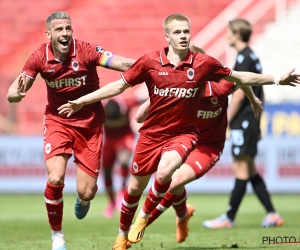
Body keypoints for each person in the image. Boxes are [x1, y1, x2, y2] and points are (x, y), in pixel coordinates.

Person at [57, 14, 299, 250]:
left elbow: (239, 78)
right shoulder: (152, 63)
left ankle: (142, 221)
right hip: (152, 136)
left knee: (168, 176)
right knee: (134, 189)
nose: (183, 36)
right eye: (178, 32)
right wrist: (82, 101)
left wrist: (276, 80)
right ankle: (150, 226)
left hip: (190, 138)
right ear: (167, 37)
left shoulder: (206, 68)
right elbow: (121, 88)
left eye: (186, 32)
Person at [6, 11, 135, 250]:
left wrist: (147, 67)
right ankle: (58, 236)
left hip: (90, 125)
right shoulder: (39, 57)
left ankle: (83, 198)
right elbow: (13, 92)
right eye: (59, 29)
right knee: (55, 177)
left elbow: (119, 62)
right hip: (58, 122)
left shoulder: (85, 50)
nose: (65, 33)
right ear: (48, 34)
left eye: (68, 28)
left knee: (86, 193)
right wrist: (16, 94)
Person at [133, 45, 263, 244]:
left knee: (174, 181)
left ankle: (140, 227)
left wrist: (252, 98)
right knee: (169, 179)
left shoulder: (220, 86)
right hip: (181, 139)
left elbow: (240, 80)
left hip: (208, 147)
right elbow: (138, 117)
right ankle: (183, 216)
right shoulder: (177, 86)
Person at [202, 18, 284, 229]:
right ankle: (272, 213)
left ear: (237, 34)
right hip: (251, 121)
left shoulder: (243, 58)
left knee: (241, 168)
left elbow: (238, 95)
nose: (226, 35)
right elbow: (261, 91)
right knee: (249, 168)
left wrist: (226, 122)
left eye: (229, 32)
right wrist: (259, 120)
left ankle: (229, 217)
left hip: (243, 121)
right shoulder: (253, 56)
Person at [101, 96, 137, 218]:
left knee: (123, 160)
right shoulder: (100, 107)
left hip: (125, 137)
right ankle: (111, 202)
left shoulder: (127, 103)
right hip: (109, 140)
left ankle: (121, 192)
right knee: (106, 172)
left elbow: (145, 99)